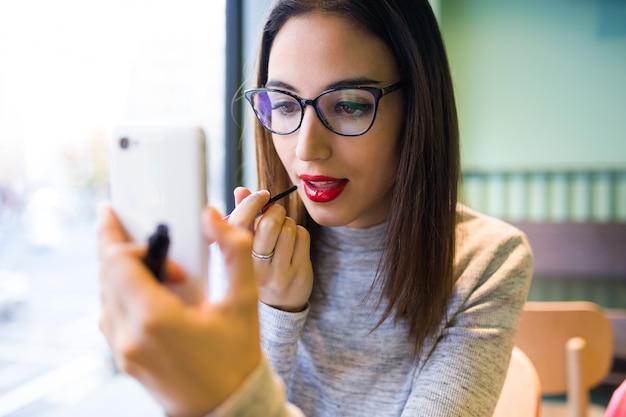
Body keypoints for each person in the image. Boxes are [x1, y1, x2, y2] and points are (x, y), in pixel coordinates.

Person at [97, 1, 533, 416]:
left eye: (348, 105)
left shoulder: (488, 262)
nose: (306, 148)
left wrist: (225, 391)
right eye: (285, 104)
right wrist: (273, 311)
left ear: (418, 107)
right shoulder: (249, 251)